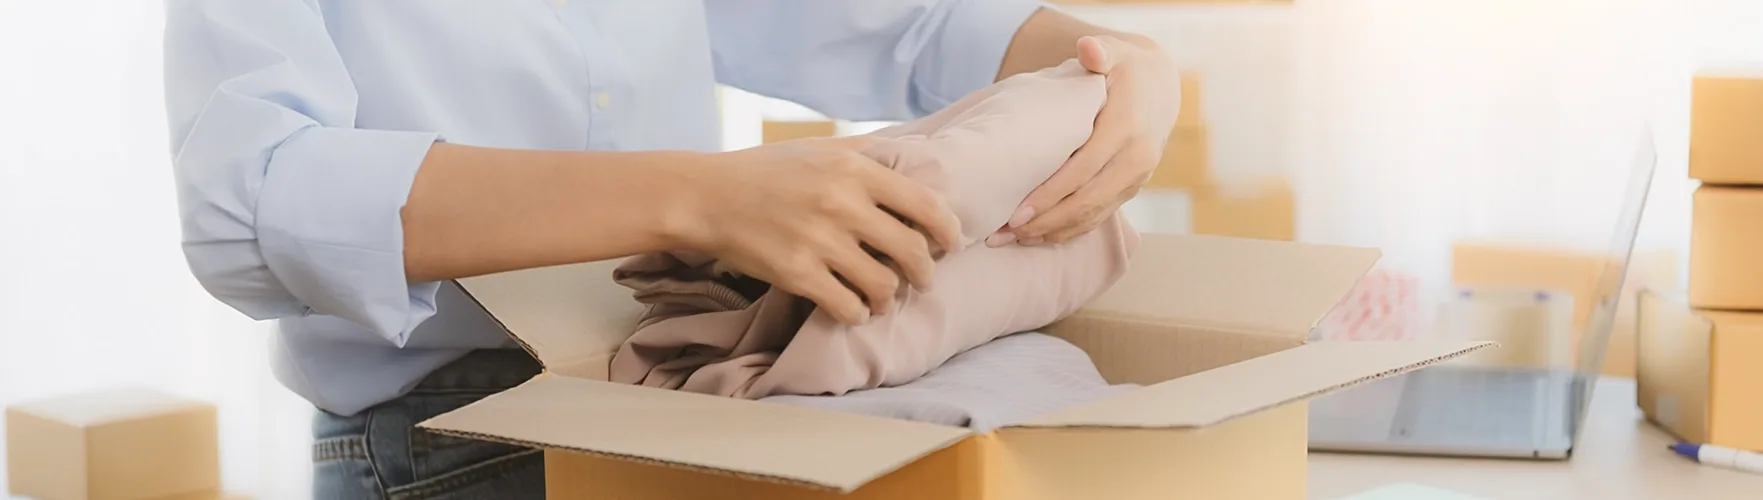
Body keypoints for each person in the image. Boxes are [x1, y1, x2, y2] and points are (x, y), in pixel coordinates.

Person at [162, 1, 1178, 498]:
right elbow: (252, 199)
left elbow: (902, 27)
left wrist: (1118, 62)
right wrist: (696, 198)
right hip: (457, 447)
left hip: (689, 414)